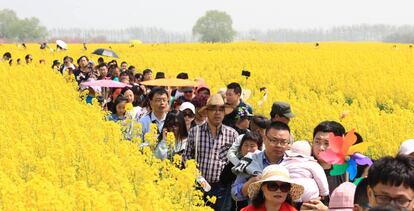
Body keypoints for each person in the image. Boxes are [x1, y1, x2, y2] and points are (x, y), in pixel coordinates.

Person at [184, 94, 238, 211]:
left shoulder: (232, 134)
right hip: (199, 185)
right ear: (207, 112)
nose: (217, 113)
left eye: (221, 109)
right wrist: (196, 176)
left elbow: (236, 160)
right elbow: (187, 156)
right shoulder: (195, 132)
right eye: (213, 109)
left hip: (222, 188)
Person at [231, 121, 291, 202]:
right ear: (264, 139)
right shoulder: (250, 159)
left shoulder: (293, 162)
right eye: (274, 140)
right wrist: (249, 184)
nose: (278, 145)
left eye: (283, 142)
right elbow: (235, 193)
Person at [220, 132, 263, 211]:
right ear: (240, 148)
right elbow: (226, 184)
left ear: (259, 149)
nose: (248, 149)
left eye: (252, 146)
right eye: (245, 145)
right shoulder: (236, 164)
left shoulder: (263, 164)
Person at [311, 121, 346, 197]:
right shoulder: (302, 170)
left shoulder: (344, 174)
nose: (321, 148)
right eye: (317, 142)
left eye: (326, 143)